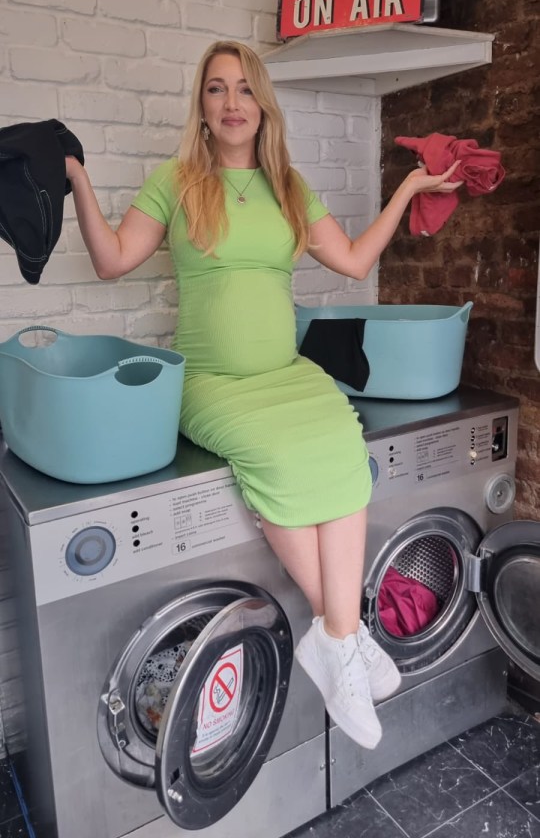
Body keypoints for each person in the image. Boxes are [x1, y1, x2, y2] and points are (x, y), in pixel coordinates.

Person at [66, 40, 461, 751]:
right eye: (217, 90)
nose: (232, 103)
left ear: (262, 104)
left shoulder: (288, 184)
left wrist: (405, 190)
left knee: (341, 445)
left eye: (244, 89)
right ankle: (347, 633)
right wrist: (77, 179)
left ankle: (335, 640)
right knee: (280, 458)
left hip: (288, 375)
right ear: (203, 108)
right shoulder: (177, 181)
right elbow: (111, 260)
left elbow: (353, 262)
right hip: (214, 384)